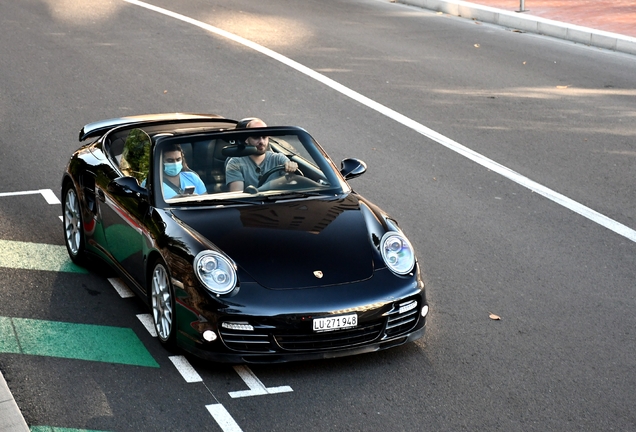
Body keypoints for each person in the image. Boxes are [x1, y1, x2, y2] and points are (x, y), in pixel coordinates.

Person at [225, 119, 298, 192]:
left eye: (264, 137)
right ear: (246, 140)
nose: (261, 141)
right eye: (256, 137)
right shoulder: (235, 163)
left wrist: (291, 168)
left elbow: (293, 186)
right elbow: (238, 195)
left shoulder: (279, 159)